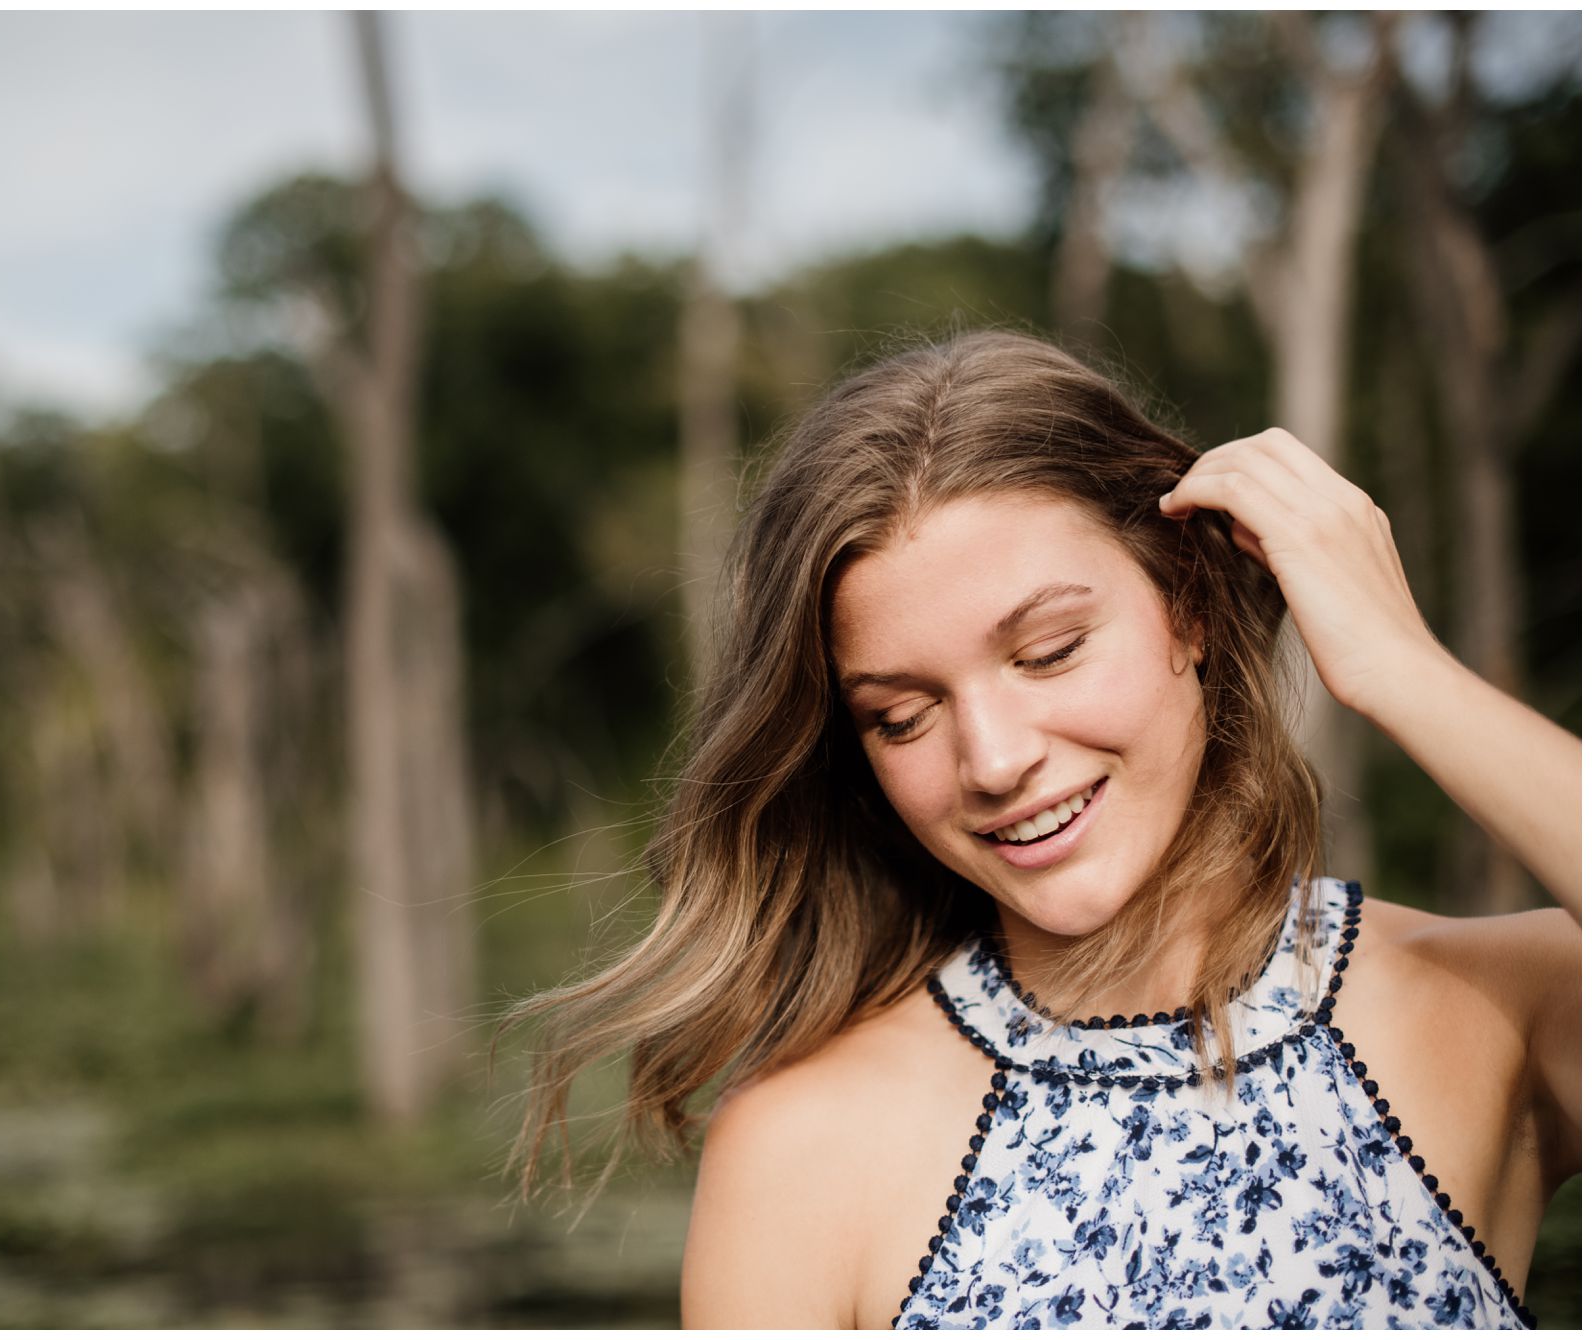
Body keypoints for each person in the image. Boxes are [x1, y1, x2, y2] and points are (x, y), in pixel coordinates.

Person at [502, 331, 1580, 1328]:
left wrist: (1402, 670)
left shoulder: (1498, 1006)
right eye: (901, 715)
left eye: (1049, 650)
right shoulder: (801, 1145)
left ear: (1188, 603)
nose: (991, 758)